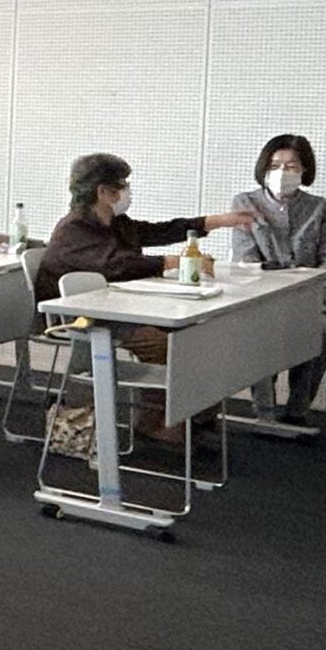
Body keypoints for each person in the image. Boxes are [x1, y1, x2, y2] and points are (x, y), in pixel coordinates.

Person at [34, 154, 255, 440]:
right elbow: (117, 264)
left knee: (199, 336)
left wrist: (218, 221)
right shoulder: (73, 230)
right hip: (81, 318)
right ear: (103, 192)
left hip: (115, 307)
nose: (127, 191)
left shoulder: (116, 222)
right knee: (166, 345)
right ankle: (156, 422)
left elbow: (157, 231)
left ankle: (193, 417)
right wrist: (180, 262)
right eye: (122, 184)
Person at [228, 133, 326, 426]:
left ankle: (297, 412)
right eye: (275, 165)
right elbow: (246, 261)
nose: (282, 172)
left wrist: (305, 282)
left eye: (291, 166)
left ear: (305, 170)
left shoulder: (321, 207)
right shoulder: (245, 203)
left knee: (315, 334)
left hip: (314, 299)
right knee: (260, 333)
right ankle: (264, 412)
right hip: (261, 298)